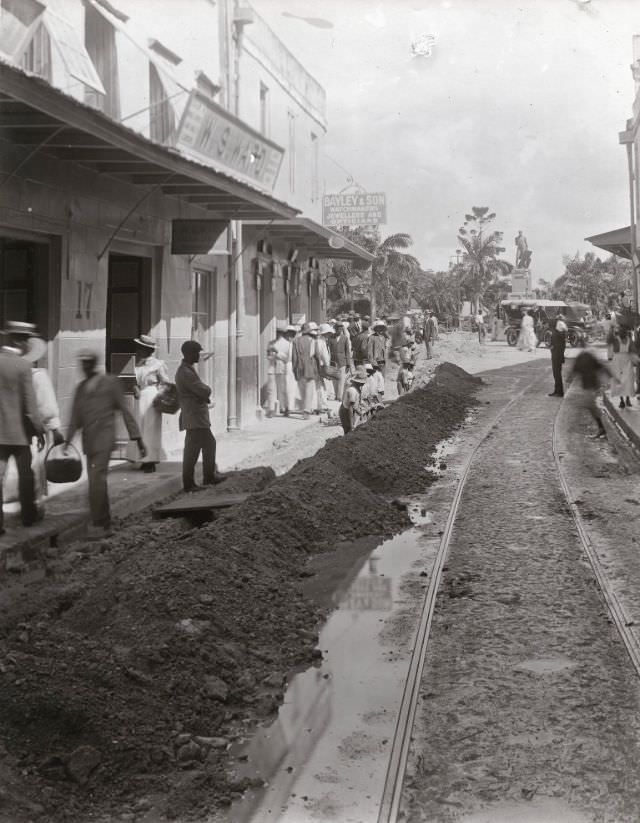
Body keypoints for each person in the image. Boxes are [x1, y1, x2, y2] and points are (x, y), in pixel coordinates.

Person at [66, 350, 146, 538]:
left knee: (96, 480)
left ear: (94, 365)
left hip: (104, 439)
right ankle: (105, 520)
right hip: (89, 441)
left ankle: (98, 524)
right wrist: (67, 442)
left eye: (88, 364)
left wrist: (138, 438)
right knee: (97, 480)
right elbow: (75, 417)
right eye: (82, 365)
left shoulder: (110, 384)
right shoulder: (81, 388)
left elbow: (125, 411)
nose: (84, 368)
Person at [0, 322, 45, 535]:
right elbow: (30, 406)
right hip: (20, 435)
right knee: (26, 476)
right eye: (26, 340)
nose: (28, 344)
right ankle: (29, 517)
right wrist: (39, 430)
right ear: (19, 340)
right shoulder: (22, 366)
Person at [175, 340, 223, 492]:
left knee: (201, 446)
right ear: (189, 354)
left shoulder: (187, 370)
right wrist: (207, 390)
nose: (198, 355)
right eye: (196, 352)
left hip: (195, 416)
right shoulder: (186, 373)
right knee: (197, 448)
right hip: (194, 416)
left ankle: (206, 477)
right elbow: (203, 390)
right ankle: (194, 482)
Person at [126, 334, 169, 473]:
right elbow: (133, 380)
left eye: (141, 348)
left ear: (148, 350)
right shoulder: (137, 364)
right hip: (140, 397)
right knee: (140, 427)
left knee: (151, 428)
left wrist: (160, 395)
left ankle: (151, 461)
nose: (138, 350)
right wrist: (135, 388)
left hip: (152, 396)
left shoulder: (158, 364)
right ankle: (142, 458)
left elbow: (165, 383)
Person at [571, 350, 613, 439]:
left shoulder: (582, 358)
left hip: (590, 387)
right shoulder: (587, 357)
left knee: (591, 407)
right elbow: (603, 368)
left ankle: (605, 429)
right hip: (591, 386)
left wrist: (611, 377)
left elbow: (574, 371)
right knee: (591, 407)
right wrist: (612, 377)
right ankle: (603, 429)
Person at [291, 322, 319, 418]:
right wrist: (318, 368)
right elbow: (317, 356)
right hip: (310, 367)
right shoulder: (313, 341)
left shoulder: (295, 341)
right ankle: (307, 409)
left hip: (299, 366)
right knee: (309, 389)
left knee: (302, 389)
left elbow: (294, 357)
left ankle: (304, 408)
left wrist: (294, 369)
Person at [266, 322, 292, 417]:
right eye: (277, 332)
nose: (278, 334)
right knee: (271, 389)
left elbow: (288, 358)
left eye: (280, 332)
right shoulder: (271, 343)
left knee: (283, 389)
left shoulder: (287, 344)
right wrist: (271, 355)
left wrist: (277, 353)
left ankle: (285, 408)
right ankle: (271, 409)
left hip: (282, 367)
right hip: (272, 367)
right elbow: (268, 356)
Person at [610, 326, 638, 409]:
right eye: (621, 331)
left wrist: (633, 351)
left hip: (627, 362)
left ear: (626, 332)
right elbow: (615, 350)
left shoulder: (629, 340)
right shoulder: (616, 339)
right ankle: (621, 400)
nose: (622, 333)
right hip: (617, 362)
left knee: (629, 380)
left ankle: (628, 399)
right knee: (619, 381)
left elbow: (633, 349)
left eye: (623, 331)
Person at [329, 319, 354, 401]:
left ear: (342, 329)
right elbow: (327, 350)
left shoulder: (345, 338)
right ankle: (336, 395)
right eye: (337, 328)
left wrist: (348, 364)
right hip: (332, 362)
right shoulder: (331, 337)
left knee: (341, 379)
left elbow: (347, 352)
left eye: (341, 329)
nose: (339, 330)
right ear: (335, 329)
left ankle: (339, 396)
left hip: (342, 362)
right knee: (334, 379)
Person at [339, 367, 367, 434]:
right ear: (358, 382)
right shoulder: (352, 391)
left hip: (351, 410)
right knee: (348, 430)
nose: (363, 384)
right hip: (345, 411)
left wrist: (360, 413)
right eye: (362, 382)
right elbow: (350, 409)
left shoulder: (357, 389)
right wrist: (351, 425)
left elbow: (355, 406)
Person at [548, 313, 568, 397]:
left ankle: (559, 391)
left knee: (556, 373)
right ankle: (557, 390)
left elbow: (554, 345)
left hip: (556, 355)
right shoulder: (562, 335)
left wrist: (551, 346)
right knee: (556, 373)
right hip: (558, 355)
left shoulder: (558, 334)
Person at [315, 323, 333, 413]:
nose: (329, 335)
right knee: (320, 387)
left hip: (319, 365)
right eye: (328, 333)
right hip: (320, 366)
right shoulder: (320, 342)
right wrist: (327, 367)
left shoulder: (320, 341)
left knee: (321, 386)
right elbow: (324, 356)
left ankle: (322, 405)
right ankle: (321, 406)